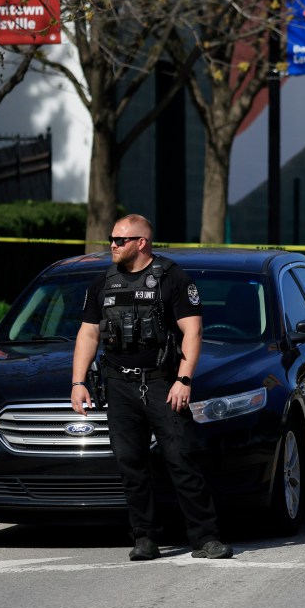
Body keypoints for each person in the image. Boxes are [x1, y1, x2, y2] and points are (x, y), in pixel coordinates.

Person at [70, 214, 233, 561]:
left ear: (141, 243)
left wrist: (183, 379)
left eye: (119, 240)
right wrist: (78, 382)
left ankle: (205, 537)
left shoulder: (171, 279)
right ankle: (144, 537)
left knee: (181, 458)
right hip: (119, 383)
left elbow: (193, 331)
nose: (112, 245)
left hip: (162, 382)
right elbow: (88, 333)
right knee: (130, 462)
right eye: (111, 239)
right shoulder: (103, 282)